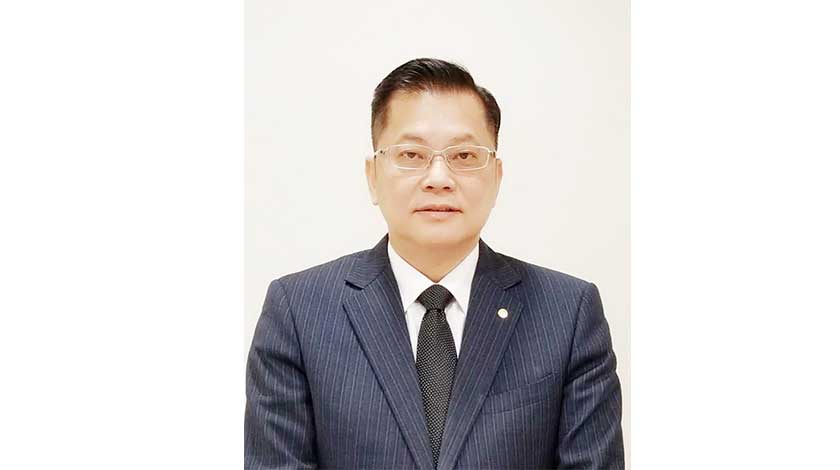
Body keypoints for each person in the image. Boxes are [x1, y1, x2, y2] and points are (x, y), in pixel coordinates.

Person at [245, 58, 624, 470]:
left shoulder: (568, 313)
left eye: (464, 155)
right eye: (411, 154)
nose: (439, 177)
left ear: (497, 177)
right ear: (373, 176)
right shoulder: (298, 311)